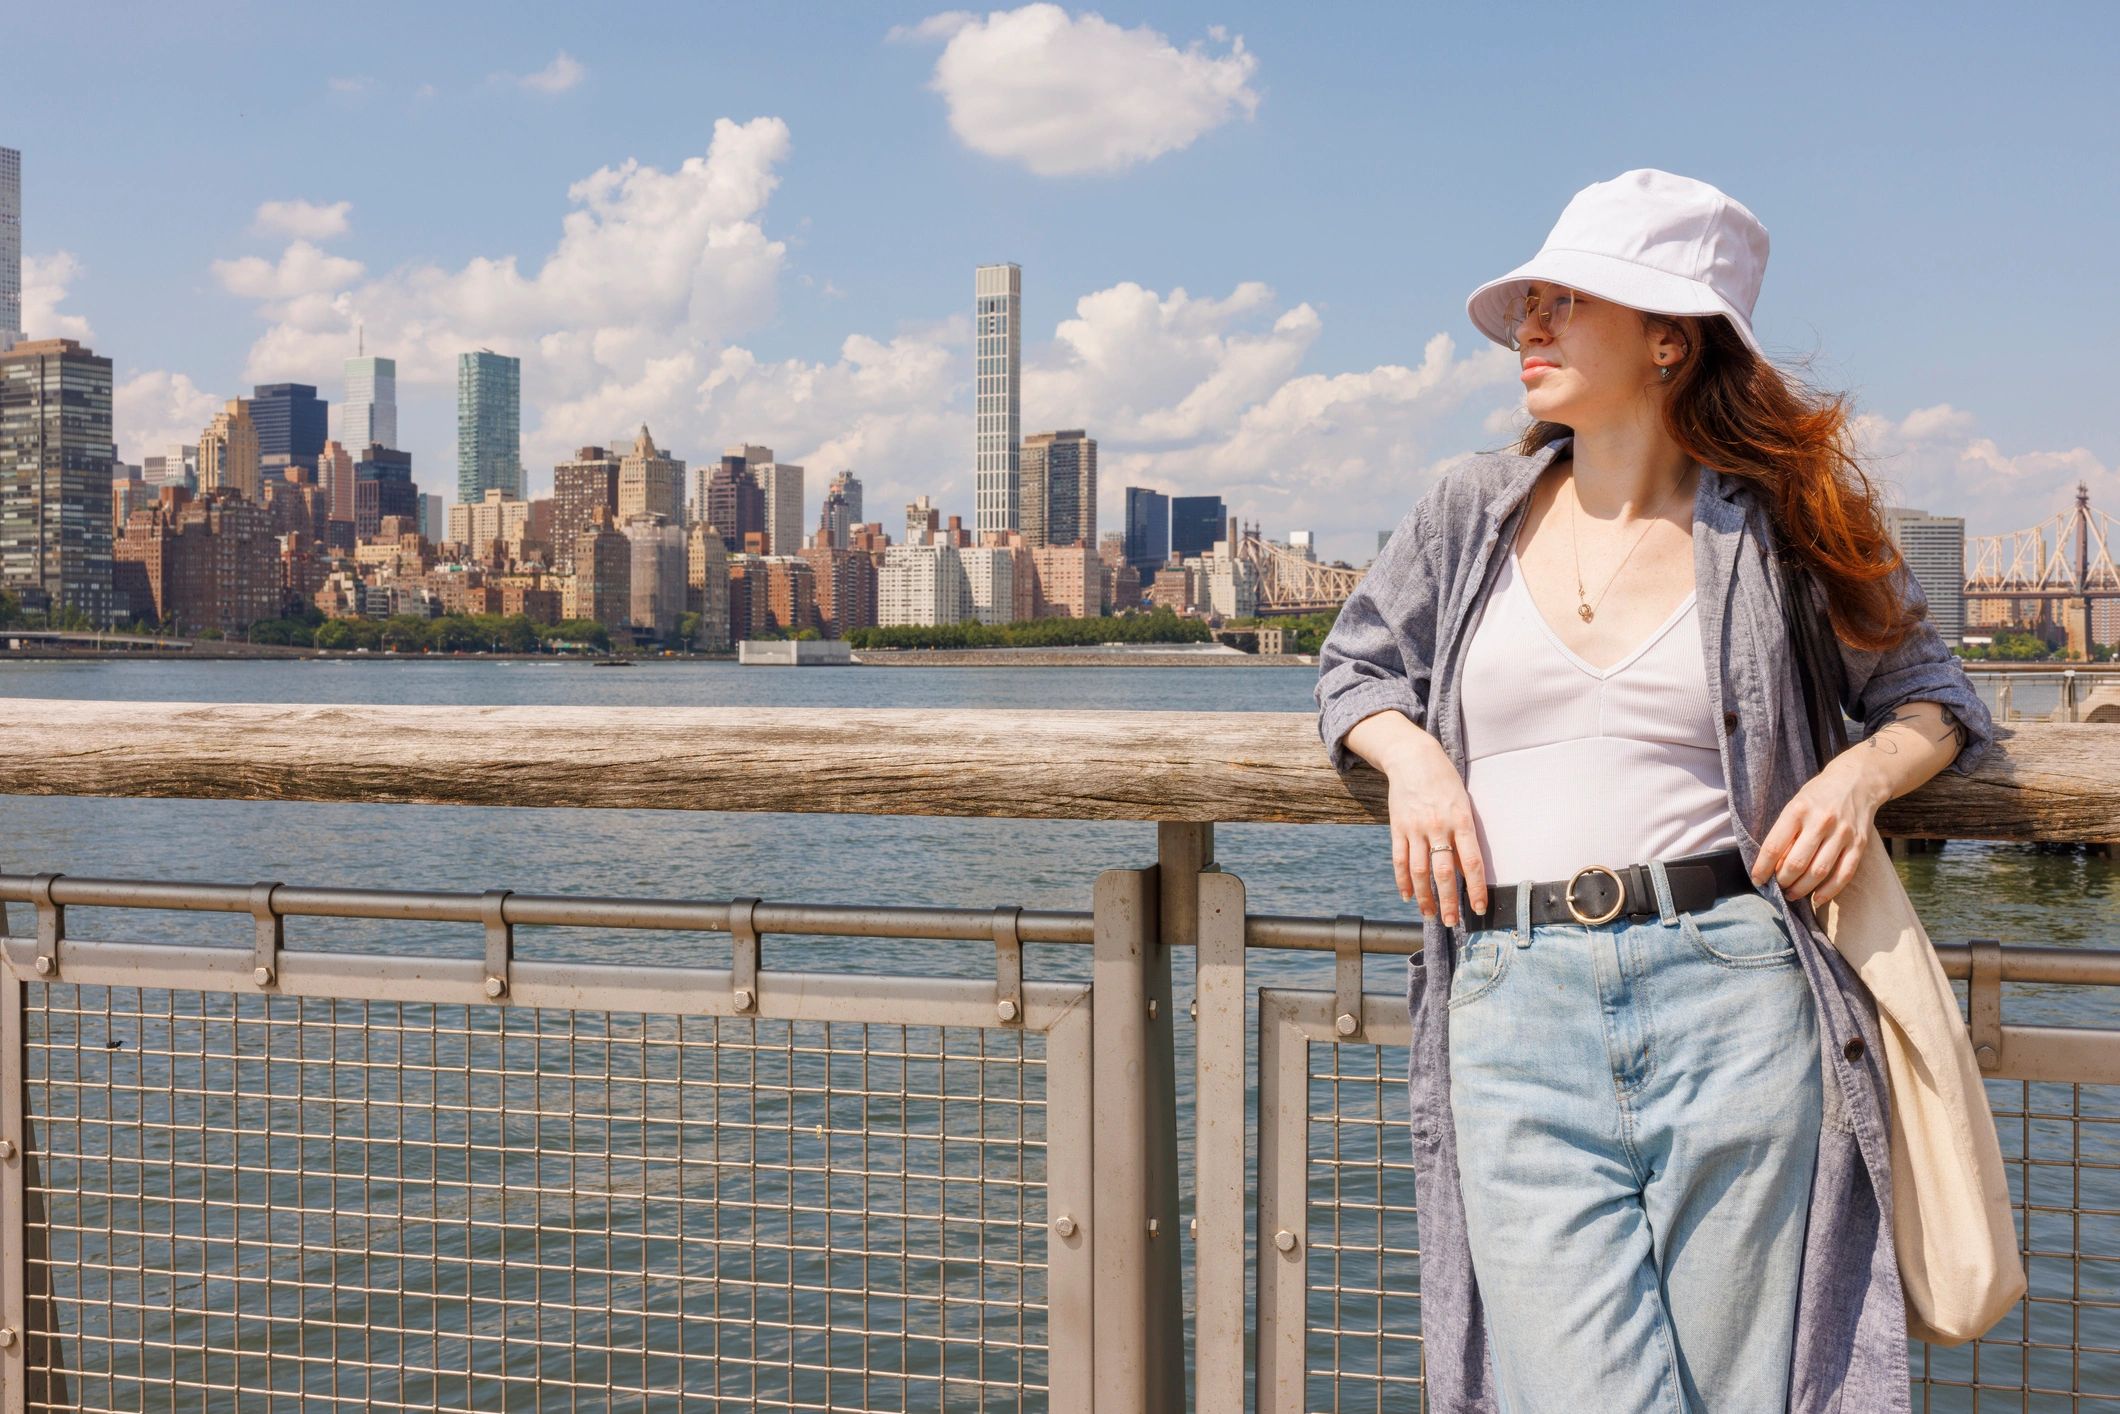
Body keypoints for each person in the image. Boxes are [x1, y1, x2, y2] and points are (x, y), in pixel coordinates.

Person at [1313, 169, 1996, 1412]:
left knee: (1741, 1391)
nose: (1527, 323)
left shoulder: (1784, 522)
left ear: (1667, 337)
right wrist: (1407, 756)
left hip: (1733, 992)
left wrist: (1856, 776)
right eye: (1529, 301)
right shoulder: (1469, 510)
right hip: (1513, 1001)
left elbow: (1934, 693)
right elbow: (1355, 666)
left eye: (1563, 301)